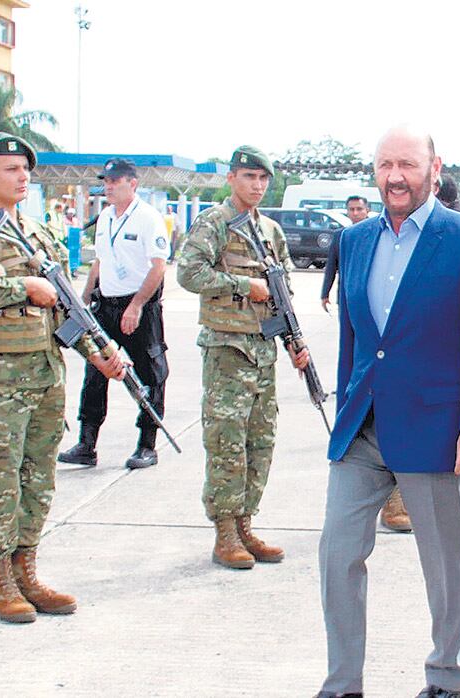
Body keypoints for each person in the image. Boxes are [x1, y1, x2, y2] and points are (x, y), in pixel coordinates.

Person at [315, 126, 460, 698]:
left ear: (434, 168)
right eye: (384, 165)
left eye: (406, 164)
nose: (395, 176)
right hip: (363, 429)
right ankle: (343, 682)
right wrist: (350, 400)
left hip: (437, 432)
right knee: (337, 554)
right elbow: (357, 339)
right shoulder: (354, 241)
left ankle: (448, 678)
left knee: (444, 567)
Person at [0, 132, 126, 623]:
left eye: (25, 170)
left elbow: (67, 308)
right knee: (1, 481)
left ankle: (27, 569)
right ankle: (0, 580)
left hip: (45, 374)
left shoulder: (40, 232)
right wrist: (21, 285)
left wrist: (99, 352)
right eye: (10, 169)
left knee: (38, 480)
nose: (22, 177)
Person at [176, 145, 311, 570]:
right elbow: (188, 273)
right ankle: (225, 534)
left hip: (263, 351)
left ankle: (246, 524)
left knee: (260, 442)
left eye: (263, 179)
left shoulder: (270, 230)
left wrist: (295, 340)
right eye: (249, 177)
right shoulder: (214, 223)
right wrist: (242, 285)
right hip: (227, 352)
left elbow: (283, 287)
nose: (257, 185)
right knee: (227, 444)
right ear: (232, 178)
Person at [58, 158, 171, 470]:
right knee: (96, 372)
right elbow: (99, 261)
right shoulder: (105, 217)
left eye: (114, 181)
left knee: (150, 374)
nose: (107, 186)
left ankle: (147, 445)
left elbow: (158, 266)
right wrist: (83, 299)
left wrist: (135, 305)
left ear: (132, 184)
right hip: (105, 306)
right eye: (106, 181)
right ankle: (86, 443)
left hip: (139, 307)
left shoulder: (148, 218)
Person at [321, 195, 370, 313]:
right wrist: (325, 294)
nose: (355, 213)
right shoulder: (340, 236)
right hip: (346, 296)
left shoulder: (378, 234)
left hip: (370, 296)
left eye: (359, 209)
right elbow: (331, 267)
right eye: (351, 209)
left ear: (367, 210)